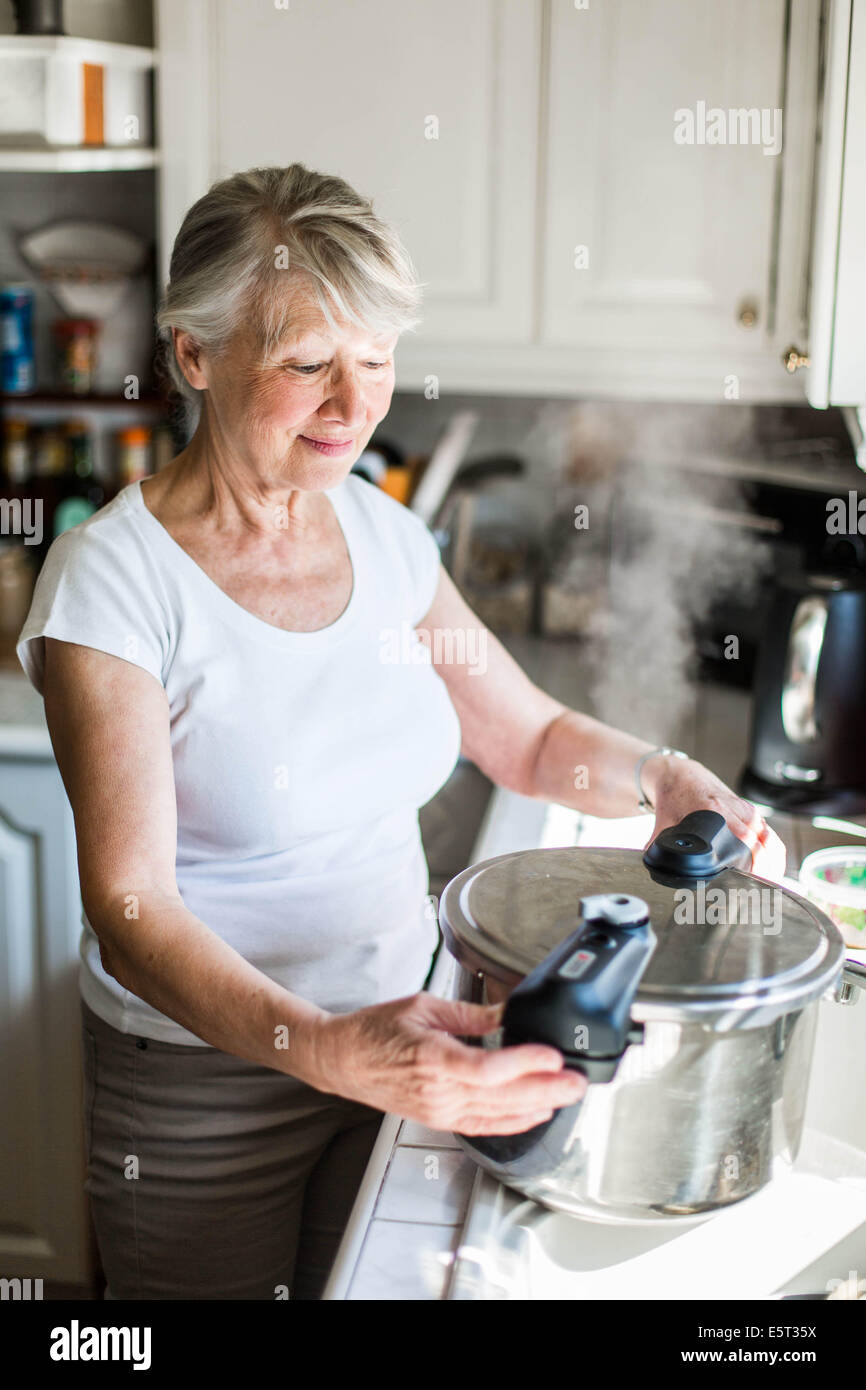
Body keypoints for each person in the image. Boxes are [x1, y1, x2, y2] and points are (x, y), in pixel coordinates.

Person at [17, 164, 785, 1300]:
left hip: (407, 1041)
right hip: (202, 1089)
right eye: (306, 364)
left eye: (374, 360)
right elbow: (131, 914)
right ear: (194, 356)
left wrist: (665, 777)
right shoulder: (114, 584)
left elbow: (524, 739)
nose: (354, 404)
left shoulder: (380, 534)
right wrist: (324, 1047)